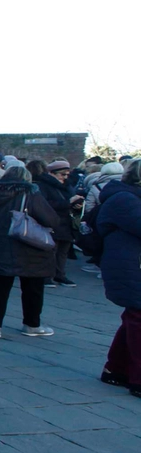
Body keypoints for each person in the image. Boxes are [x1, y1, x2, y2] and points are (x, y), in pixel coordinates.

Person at [0, 165, 58, 339]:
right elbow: (50, 219)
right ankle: (31, 324)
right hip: (27, 246)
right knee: (32, 288)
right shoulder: (30, 194)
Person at [97, 160, 141, 397]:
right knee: (138, 317)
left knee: (134, 317)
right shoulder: (125, 199)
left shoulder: (129, 197)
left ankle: (116, 369)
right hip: (130, 267)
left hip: (131, 265)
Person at [30, 159, 81, 287]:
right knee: (51, 250)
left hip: (67, 221)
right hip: (53, 221)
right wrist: (68, 203)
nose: (65, 177)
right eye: (62, 174)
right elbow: (45, 204)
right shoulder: (43, 185)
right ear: (52, 173)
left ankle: (60, 274)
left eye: (67, 174)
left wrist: (77, 205)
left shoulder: (67, 186)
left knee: (63, 251)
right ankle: (47, 275)